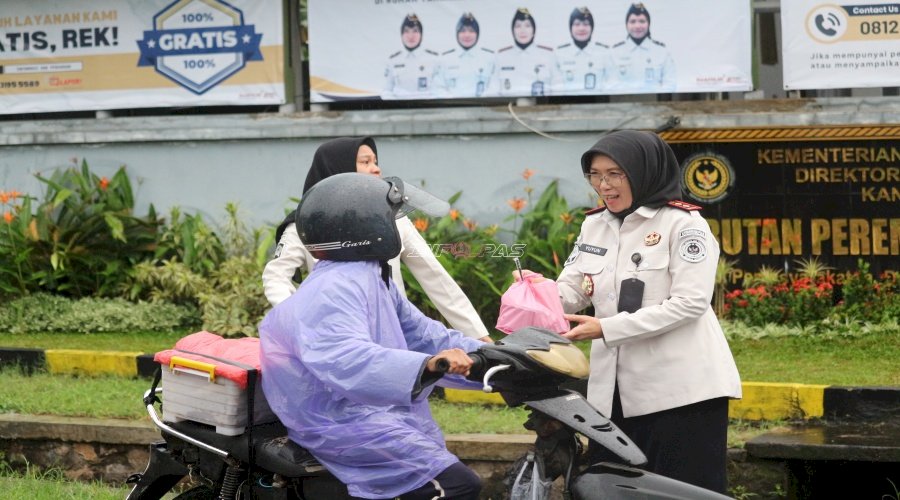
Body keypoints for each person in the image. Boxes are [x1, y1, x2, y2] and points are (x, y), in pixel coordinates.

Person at [518, 130, 741, 493]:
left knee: (683, 491)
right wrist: (538, 291)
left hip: (681, 393)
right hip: (614, 394)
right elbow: (574, 289)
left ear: (643, 171)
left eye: (615, 174)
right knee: (614, 489)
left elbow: (690, 303)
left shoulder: (684, 224)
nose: (604, 185)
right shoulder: (595, 224)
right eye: (595, 175)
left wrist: (606, 328)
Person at [260, 173, 484, 499]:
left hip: (367, 413)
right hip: (339, 421)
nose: (396, 226)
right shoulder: (334, 287)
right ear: (365, 227)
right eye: (391, 219)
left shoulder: (370, 275)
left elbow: (423, 334)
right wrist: (428, 365)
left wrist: (500, 355)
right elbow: (347, 360)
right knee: (457, 485)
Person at [262, 136, 491, 342]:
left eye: (375, 161)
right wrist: (300, 323)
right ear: (337, 169)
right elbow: (276, 276)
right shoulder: (307, 226)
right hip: (338, 339)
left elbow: (436, 278)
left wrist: (479, 338)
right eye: (365, 162)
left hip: (395, 336)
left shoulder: (393, 219)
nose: (376, 169)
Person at [609, 3, 676, 92]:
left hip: (654, 100)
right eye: (633, 21)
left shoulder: (662, 52)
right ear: (627, 25)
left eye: (642, 21)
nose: (637, 26)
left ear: (648, 24)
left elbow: (670, 84)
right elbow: (610, 84)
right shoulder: (615, 52)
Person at [490, 8, 555, 97]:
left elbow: (558, 88)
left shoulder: (548, 56)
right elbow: (492, 90)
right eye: (518, 26)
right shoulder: (501, 57)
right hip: (508, 105)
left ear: (533, 31)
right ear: (513, 31)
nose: (522, 30)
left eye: (527, 26)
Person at [553, 7, 615, 95]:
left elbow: (611, 83)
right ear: (570, 28)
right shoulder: (559, 54)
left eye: (586, 24)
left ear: (592, 28)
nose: (581, 28)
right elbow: (556, 87)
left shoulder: (604, 52)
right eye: (577, 24)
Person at [383, 14, 441, 99]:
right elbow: (387, 90)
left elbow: (440, 90)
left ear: (421, 34)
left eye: (415, 31)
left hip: (426, 105)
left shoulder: (433, 59)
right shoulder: (393, 61)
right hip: (400, 105)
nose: (411, 36)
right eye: (406, 31)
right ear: (401, 35)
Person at [437, 12, 495, 98]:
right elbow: (438, 87)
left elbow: (494, 87)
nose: (467, 35)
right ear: (457, 34)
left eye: (471, 31)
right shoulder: (445, 59)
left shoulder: (489, 58)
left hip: (482, 105)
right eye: (463, 31)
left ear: (477, 34)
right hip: (452, 105)